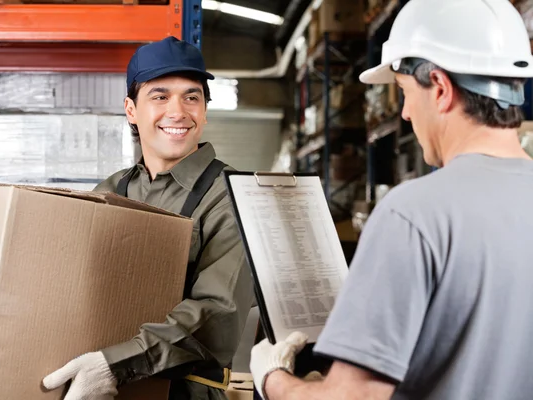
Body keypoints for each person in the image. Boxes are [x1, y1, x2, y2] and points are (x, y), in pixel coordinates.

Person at [249, 0, 533, 399]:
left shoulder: (413, 214)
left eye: (404, 92)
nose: (404, 113)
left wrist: (274, 378)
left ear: (440, 89)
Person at [42, 36, 254, 400]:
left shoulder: (234, 195)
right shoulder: (109, 191)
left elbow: (216, 314)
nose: (178, 111)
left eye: (192, 97)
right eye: (160, 96)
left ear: (204, 110)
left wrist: (113, 365)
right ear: (130, 110)